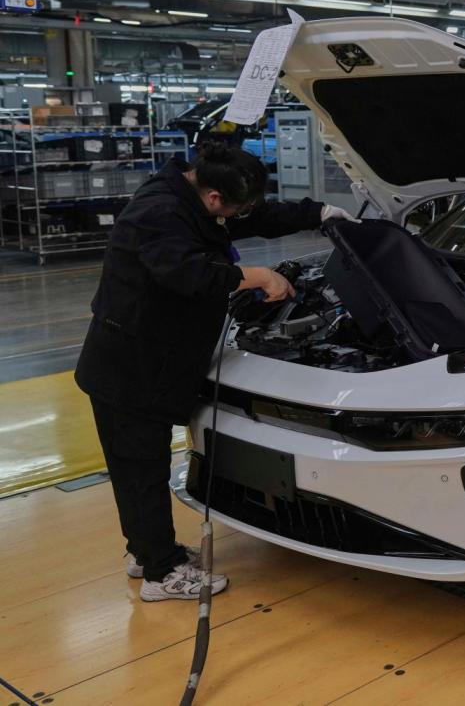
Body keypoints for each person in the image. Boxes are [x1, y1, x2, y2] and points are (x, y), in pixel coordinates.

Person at [75, 142, 357, 602]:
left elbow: (254, 217)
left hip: (148, 361)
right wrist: (259, 276)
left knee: (140, 466)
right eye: (235, 207)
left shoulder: (189, 195)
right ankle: (161, 574)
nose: (240, 215)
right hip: (129, 368)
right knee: (140, 469)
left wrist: (318, 212)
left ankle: (150, 551)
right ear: (213, 197)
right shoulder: (158, 213)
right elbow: (191, 274)